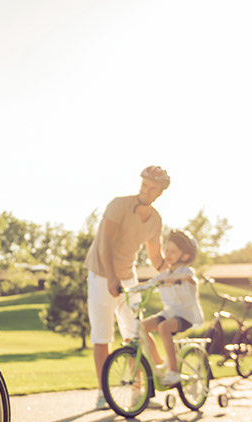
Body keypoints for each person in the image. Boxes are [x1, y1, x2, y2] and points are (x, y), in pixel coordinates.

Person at [84, 166, 170, 409]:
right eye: (143, 184)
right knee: (102, 336)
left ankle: (137, 394)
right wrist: (112, 278)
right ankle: (103, 394)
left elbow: (156, 258)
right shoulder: (118, 206)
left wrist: (177, 272)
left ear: (160, 193)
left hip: (128, 277)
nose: (145, 190)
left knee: (135, 334)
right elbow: (104, 244)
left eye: (151, 188)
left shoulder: (155, 219)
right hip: (101, 275)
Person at [140, 230, 204, 386]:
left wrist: (178, 279)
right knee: (142, 327)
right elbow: (149, 283)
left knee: (163, 327)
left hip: (185, 316)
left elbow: (190, 279)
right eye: (166, 250)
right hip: (169, 313)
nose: (167, 254)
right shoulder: (165, 274)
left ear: (185, 256)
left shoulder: (186, 272)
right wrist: (128, 289)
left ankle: (174, 372)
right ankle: (160, 362)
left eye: (173, 252)